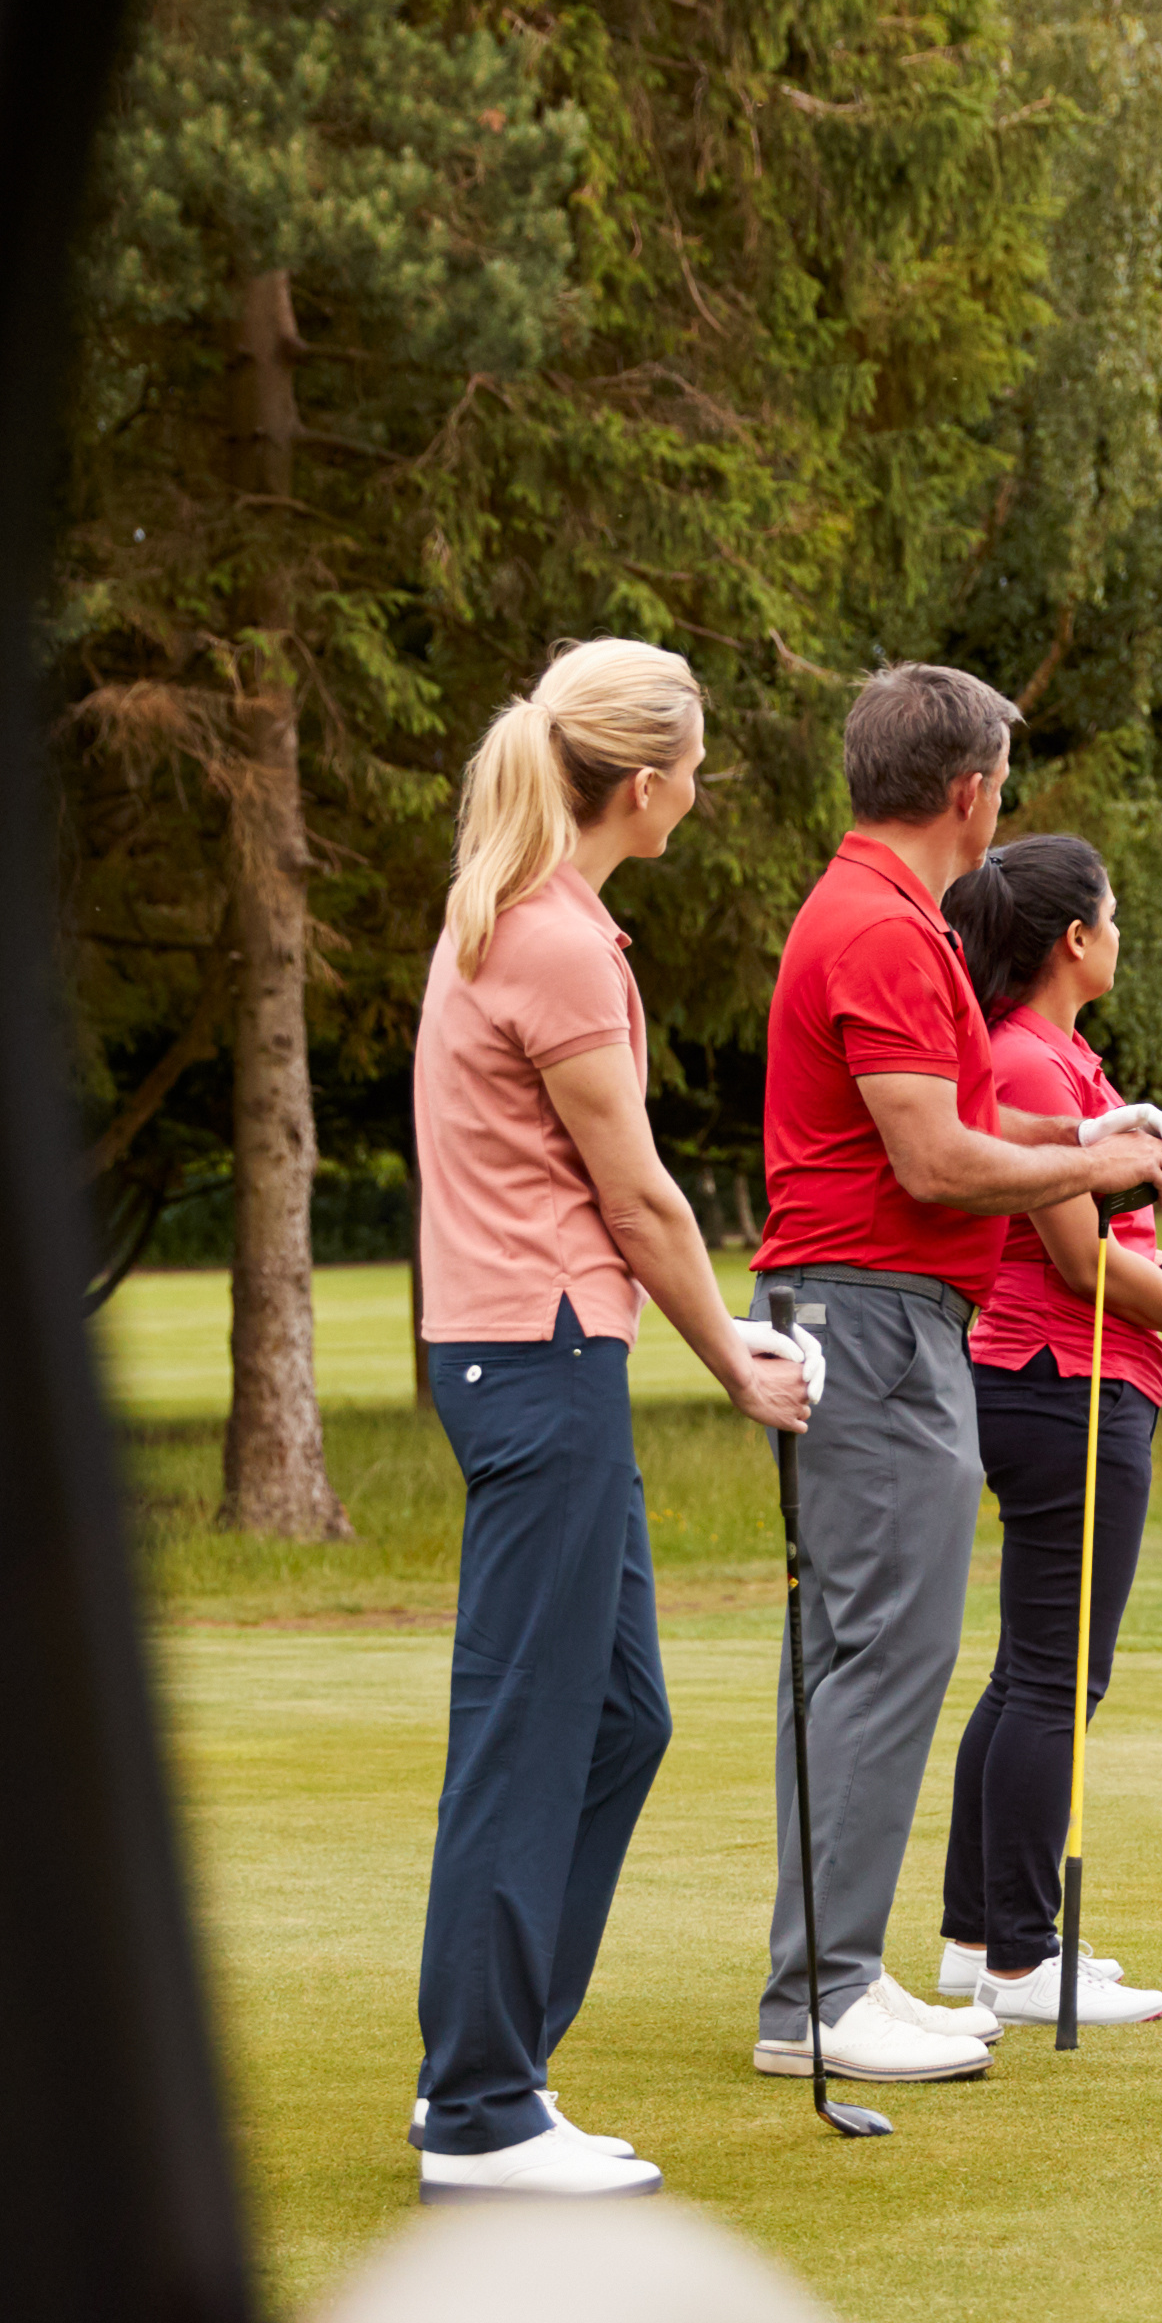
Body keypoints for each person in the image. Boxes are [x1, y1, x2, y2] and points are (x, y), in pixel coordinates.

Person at [404, 640, 824, 2196]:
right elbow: (640, 1196)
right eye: (695, 771)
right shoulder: (555, 940)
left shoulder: (511, 916)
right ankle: (480, 2107)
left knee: (619, 1714)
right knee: (528, 1733)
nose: (700, 794)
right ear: (640, 784)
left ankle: (492, 2060)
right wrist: (740, 1360)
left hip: (527, 1359)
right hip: (543, 1362)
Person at [747, 666, 1162, 2085]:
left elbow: (952, 1131)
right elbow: (931, 1158)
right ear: (970, 789)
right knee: (883, 1651)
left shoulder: (894, 920)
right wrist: (1093, 1157)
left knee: (872, 1650)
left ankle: (836, 1973)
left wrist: (1082, 1133)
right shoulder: (875, 925)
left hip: (892, 1313)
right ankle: (822, 1993)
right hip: (868, 1315)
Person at [925, 837, 1162, 2029]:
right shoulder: (1032, 1057)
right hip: (1063, 1381)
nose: (1119, 933)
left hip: (1051, 1378)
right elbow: (1076, 1266)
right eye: (1112, 917)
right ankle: (1024, 1959)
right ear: (1074, 939)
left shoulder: (1060, 1057)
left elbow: (1109, 1245)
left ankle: (979, 1943)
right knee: (1057, 1676)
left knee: (1030, 1670)